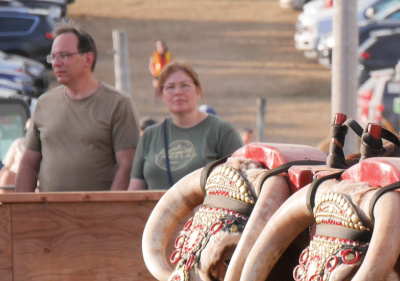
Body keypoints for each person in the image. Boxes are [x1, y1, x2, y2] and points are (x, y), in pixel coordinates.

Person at [15, 25, 139, 193]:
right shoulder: (44, 104)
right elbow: (29, 162)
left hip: (98, 216)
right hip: (49, 215)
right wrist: (23, 211)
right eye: (53, 57)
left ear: (88, 59)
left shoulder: (118, 104)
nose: (56, 63)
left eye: (64, 56)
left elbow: (127, 166)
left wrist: (108, 211)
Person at [128, 62, 242, 191]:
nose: (178, 92)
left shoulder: (222, 131)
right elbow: (134, 193)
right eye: (170, 87)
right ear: (162, 94)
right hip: (155, 211)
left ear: (198, 91)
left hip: (207, 211)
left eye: (185, 86)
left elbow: (241, 185)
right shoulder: (149, 136)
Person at [0, 119, 30, 190]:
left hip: (28, 181)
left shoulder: (44, 148)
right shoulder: (18, 144)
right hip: (12, 180)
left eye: (32, 130)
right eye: (26, 130)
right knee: (7, 175)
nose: (29, 133)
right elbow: (6, 166)